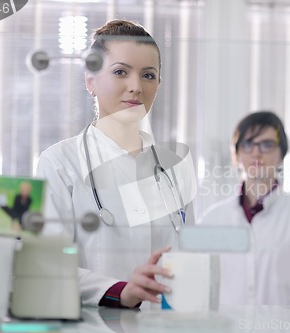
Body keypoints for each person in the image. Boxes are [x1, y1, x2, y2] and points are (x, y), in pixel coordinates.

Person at [36, 19, 195, 309]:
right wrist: (121, 291)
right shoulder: (60, 163)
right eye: (120, 72)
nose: (135, 87)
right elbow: (49, 266)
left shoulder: (174, 169)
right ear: (90, 81)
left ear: (158, 84)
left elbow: (189, 262)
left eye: (148, 75)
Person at [199, 111, 290, 306]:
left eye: (267, 144)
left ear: (282, 153)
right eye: (247, 144)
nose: (256, 153)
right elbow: (200, 288)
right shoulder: (213, 219)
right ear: (237, 154)